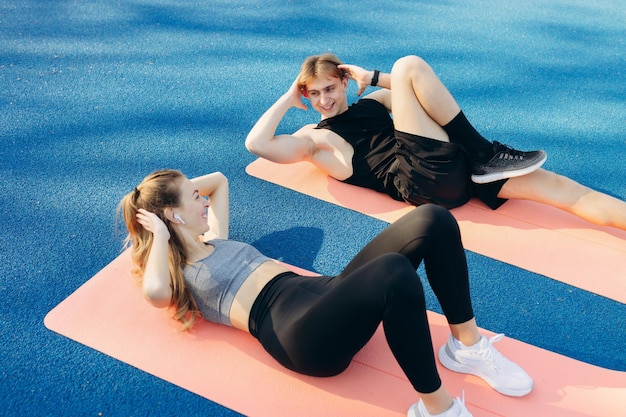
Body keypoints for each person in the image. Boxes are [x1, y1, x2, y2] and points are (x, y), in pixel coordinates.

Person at [118, 169, 534, 417]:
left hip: (320, 293)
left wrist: (167, 200)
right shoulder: (181, 274)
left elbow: (221, 182)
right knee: (393, 271)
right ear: (173, 215)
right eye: (193, 197)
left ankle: (466, 346)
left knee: (433, 220)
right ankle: (438, 408)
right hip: (294, 333)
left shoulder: (214, 239)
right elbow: (155, 292)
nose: (203, 200)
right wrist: (157, 231)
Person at [245, 53, 626, 231]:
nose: (324, 99)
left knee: (567, 190)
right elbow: (257, 145)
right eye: (314, 94)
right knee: (409, 64)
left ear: (344, 82)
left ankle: (481, 158)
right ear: (306, 97)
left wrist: (371, 77)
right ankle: (485, 154)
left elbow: (426, 95)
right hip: (419, 180)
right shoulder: (314, 139)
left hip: (451, 168)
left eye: (330, 87)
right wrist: (287, 97)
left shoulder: (372, 104)